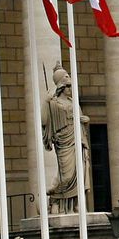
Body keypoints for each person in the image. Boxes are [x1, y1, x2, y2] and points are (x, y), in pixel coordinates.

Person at [43, 66, 90, 214]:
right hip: (63, 140)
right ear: (61, 87)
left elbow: (81, 118)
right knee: (67, 175)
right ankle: (55, 197)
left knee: (80, 171)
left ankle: (75, 203)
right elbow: (45, 121)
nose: (70, 89)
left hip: (76, 137)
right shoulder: (54, 102)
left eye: (71, 86)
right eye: (67, 86)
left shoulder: (73, 102)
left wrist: (85, 120)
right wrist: (46, 102)